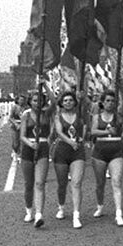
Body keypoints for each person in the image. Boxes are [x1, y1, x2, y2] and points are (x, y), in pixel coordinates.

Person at [89, 90, 123, 227]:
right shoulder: (96, 117)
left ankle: (119, 213)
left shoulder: (119, 116)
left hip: (116, 151)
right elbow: (93, 131)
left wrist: (121, 88)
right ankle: (100, 205)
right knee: (100, 183)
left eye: (113, 101)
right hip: (99, 152)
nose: (110, 104)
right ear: (103, 103)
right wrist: (106, 132)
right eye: (108, 101)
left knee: (116, 181)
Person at [51, 91, 87, 229]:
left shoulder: (80, 114)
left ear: (74, 102)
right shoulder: (58, 116)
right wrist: (70, 142)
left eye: (70, 100)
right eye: (65, 100)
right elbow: (59, 132)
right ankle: (61, 206)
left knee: (76, 183)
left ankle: (76, 215)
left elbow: (84, 126)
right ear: (61, 103)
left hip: (78, 152)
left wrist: (82, 137)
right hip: (62, 151)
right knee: (62, 183)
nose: (68, 102)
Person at [19, 92, 54, 228]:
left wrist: (45, 85)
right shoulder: (26, 115)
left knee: (40, 183)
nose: (37, 103)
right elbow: (22, 135)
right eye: (34, 100)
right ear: (30, 102)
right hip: (28, 148)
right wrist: (30, 144)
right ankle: (29, 210)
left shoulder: (46, 113)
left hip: (43, 148)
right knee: (29, 183)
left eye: (40, 100)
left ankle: (39, 214)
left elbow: (55, 101)